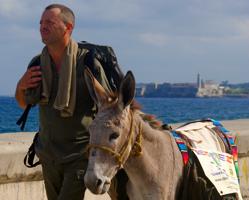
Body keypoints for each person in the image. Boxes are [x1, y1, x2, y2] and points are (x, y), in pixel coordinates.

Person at [15, 4, 127, 200]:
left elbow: (109, 108)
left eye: (49, 22)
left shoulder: (87, 64)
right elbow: (23, 104)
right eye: (41, 22)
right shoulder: (37, 64)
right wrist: (21, 85)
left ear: (68, 28)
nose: (43, 26)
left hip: (79, 156)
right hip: (48, 155)